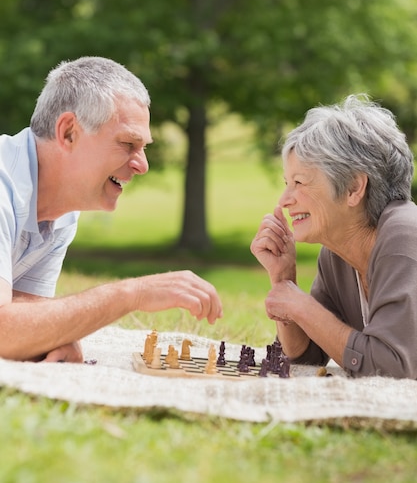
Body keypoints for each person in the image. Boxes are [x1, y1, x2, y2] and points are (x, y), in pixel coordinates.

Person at [0, 56, 222, 363]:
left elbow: (28, 316)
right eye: (128, 144)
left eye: (144, 148)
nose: (142, 165)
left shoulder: (61, 212)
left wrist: (54, 335)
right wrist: (132, 294)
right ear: (68, 133)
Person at [251, 94, 417, 379]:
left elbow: (393, 368)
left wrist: (302, 306)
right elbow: (308, 355)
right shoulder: (337, 252)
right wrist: (284, 280)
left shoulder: (405, 235)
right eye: (286, 184)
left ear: (354, 188)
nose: (284, 200)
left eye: (299, 183)